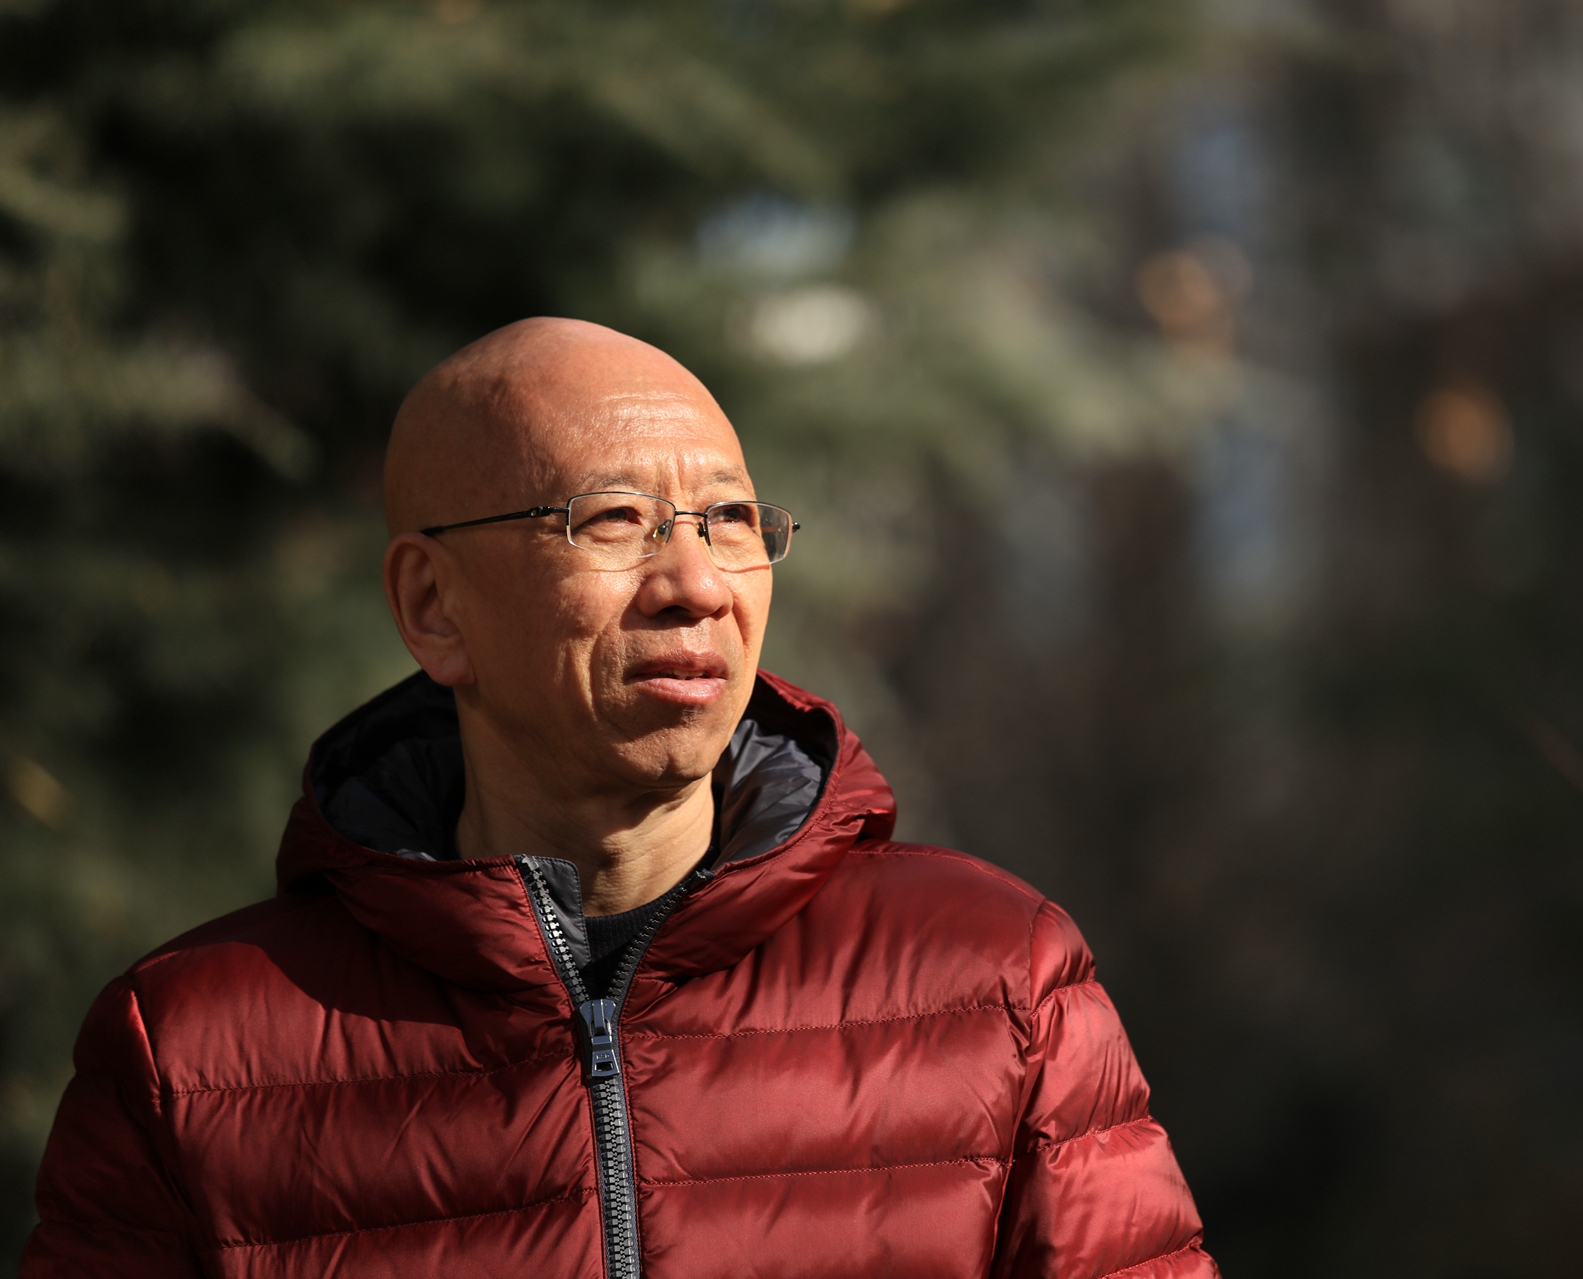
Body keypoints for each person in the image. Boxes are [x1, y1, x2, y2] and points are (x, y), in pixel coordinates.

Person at [23, 318, 1214, 1278]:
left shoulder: (992, 980)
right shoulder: (190, 1056)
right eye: (613, 521)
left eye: (730, 520)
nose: (695, 581)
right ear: (434, 605)